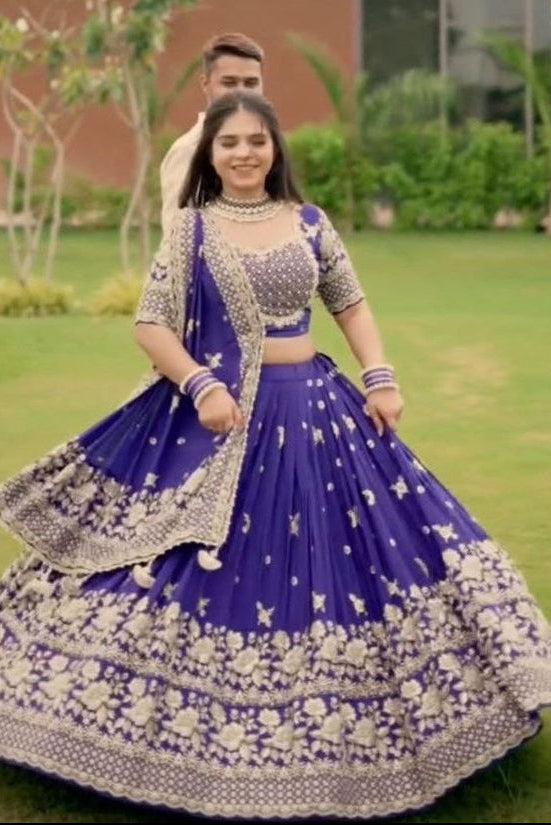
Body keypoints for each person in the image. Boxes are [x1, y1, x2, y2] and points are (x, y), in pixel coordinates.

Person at [0, 91, 550, 821]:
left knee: (361, 553)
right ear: (211, 153)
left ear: (274, 148)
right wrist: (199, 385)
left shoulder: (309, 221)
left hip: (318, 412)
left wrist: (379, 375)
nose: (243, 155)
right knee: (193, 562)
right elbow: (151, 324)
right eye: (229, 143)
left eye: (256, 141)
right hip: (225, 420)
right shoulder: (192, 230)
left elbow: (349, 303)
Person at [159, 32, 264, 259]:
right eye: (229, 83)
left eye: (251, 83)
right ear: (205, 84)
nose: (241, 92)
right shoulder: (189, 151)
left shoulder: (268, 148)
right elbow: (177, 244)